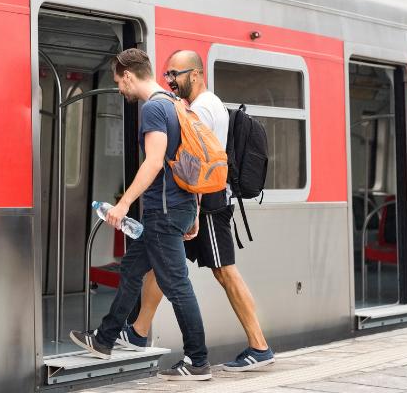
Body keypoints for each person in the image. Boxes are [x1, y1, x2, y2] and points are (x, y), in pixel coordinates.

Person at [117, 50, 275, 372]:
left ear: (197, 74)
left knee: (225, 272)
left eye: (177, 74)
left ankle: (259, 345)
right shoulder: (200, 105)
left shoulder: (202, 107)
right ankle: (138, 331)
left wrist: (193, 211)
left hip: (207, 204)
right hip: (197, 203)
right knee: (163, 264)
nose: (171, 81)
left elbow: (196, 161)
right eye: (168, 76)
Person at [69, 48, 212, 381]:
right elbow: (194, 161)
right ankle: (105, 339)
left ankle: (199, 360)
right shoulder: (178, 105)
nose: (120, 88)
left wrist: (123, 204)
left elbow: (154, 161)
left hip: (163, 212)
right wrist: (194, 211)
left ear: (129, 75)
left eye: (119, 81)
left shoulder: (154, 109)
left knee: (177, 286)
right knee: (132, 271)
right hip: (179, 206)